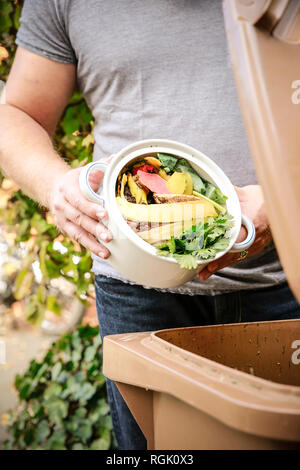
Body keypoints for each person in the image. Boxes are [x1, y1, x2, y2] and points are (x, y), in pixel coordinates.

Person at [0, 0, 299, 450]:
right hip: (136, 294)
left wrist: (281, 198)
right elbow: (16, 113)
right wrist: (55, 186)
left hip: (288, 279)